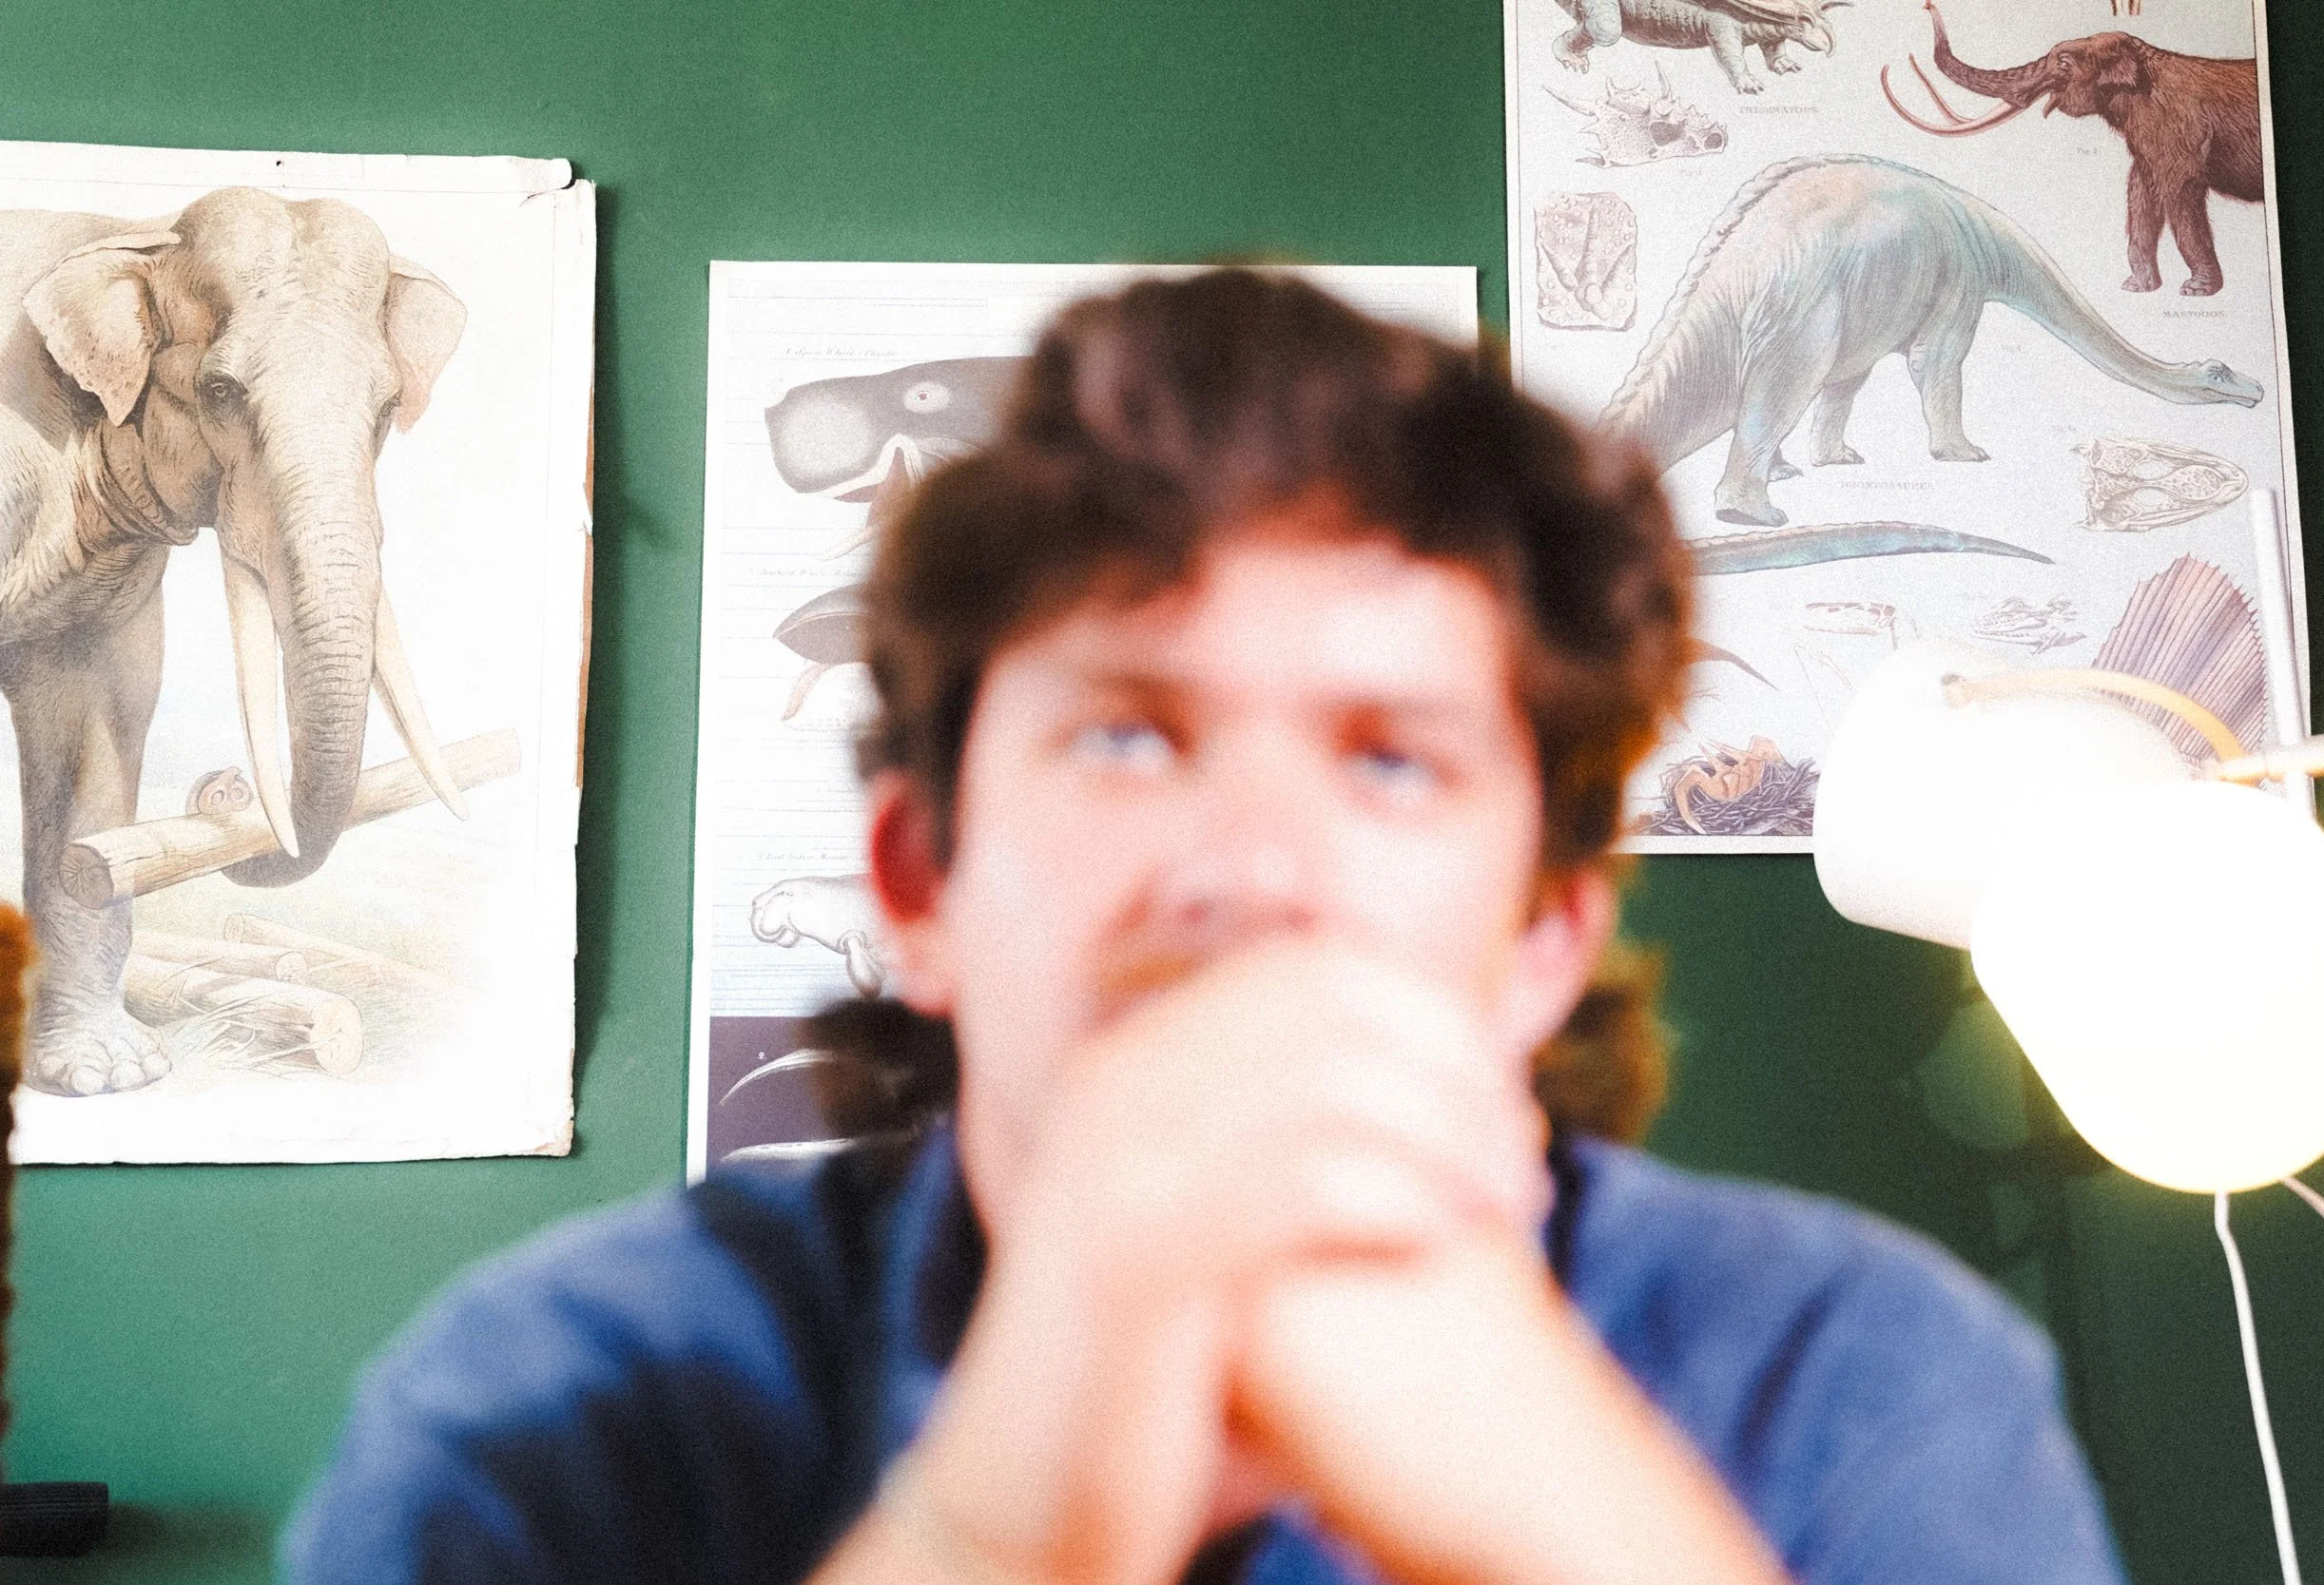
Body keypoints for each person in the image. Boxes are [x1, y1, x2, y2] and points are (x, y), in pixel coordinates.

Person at [282, 271, 2129, 1585]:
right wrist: (993, 1532)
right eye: (1123, 730)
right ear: (921, 885)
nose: (1252, 858)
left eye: (1392, 758)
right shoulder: (559, 1405)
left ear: (1540, 940)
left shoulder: (1860, 1374)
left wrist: (1559, 1518)